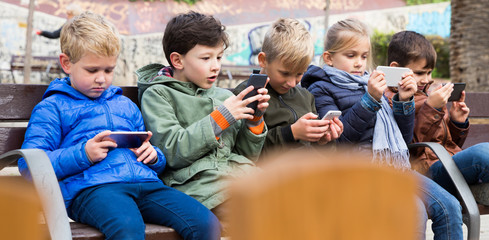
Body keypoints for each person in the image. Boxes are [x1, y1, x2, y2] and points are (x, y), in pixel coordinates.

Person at [18, 12, 220, 240]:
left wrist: (153, 156)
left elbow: (154, 157)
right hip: (93, 189)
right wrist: (83, 154)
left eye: (109, 70)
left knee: (206, 224)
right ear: (66, 63)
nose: (102, 79)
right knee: (127, 228)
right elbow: (30, 165)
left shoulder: (125, 104)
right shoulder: (52, 107)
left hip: (145, 184)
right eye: (92, 70)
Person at [301, 18, 463, 239]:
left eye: (364, 56)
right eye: (351, 55)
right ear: (329, 58)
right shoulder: (321, 89)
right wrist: (369, 100)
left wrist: (403, 101)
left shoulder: (371, 82)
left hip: (396, 169)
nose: (359, 63)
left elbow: (402, 141)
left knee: (449, 207)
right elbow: (341, 141)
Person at [136, 11, 269, 232]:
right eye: (206, 58)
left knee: (295, 202)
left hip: (238, 181)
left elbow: (245, 156)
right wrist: (221, 118)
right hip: (196, 188)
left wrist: (254, 120)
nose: (215, 66)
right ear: (177, 60)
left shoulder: (223, 97)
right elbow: (171, 151)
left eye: (218, 57)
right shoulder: (158, 95)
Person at [386, 30, 489, 203]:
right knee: (482, 153)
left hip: (446, 165)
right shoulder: (392, 100)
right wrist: (432, 109)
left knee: (484, 152)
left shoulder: (427, 95)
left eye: (430, 72)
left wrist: (457, 122)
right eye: (420, 73)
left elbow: (448, 145)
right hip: (425, 175)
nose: (427, 79)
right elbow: (410, 148)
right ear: (396, 69)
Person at [233, 18, 343, 155]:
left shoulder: (306, 97)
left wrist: (323, 141)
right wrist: (291, 134)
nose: (292, 83)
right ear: (263, 60)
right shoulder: (245, 97)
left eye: (299, 74)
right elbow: (244, 153)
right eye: (285, 73)